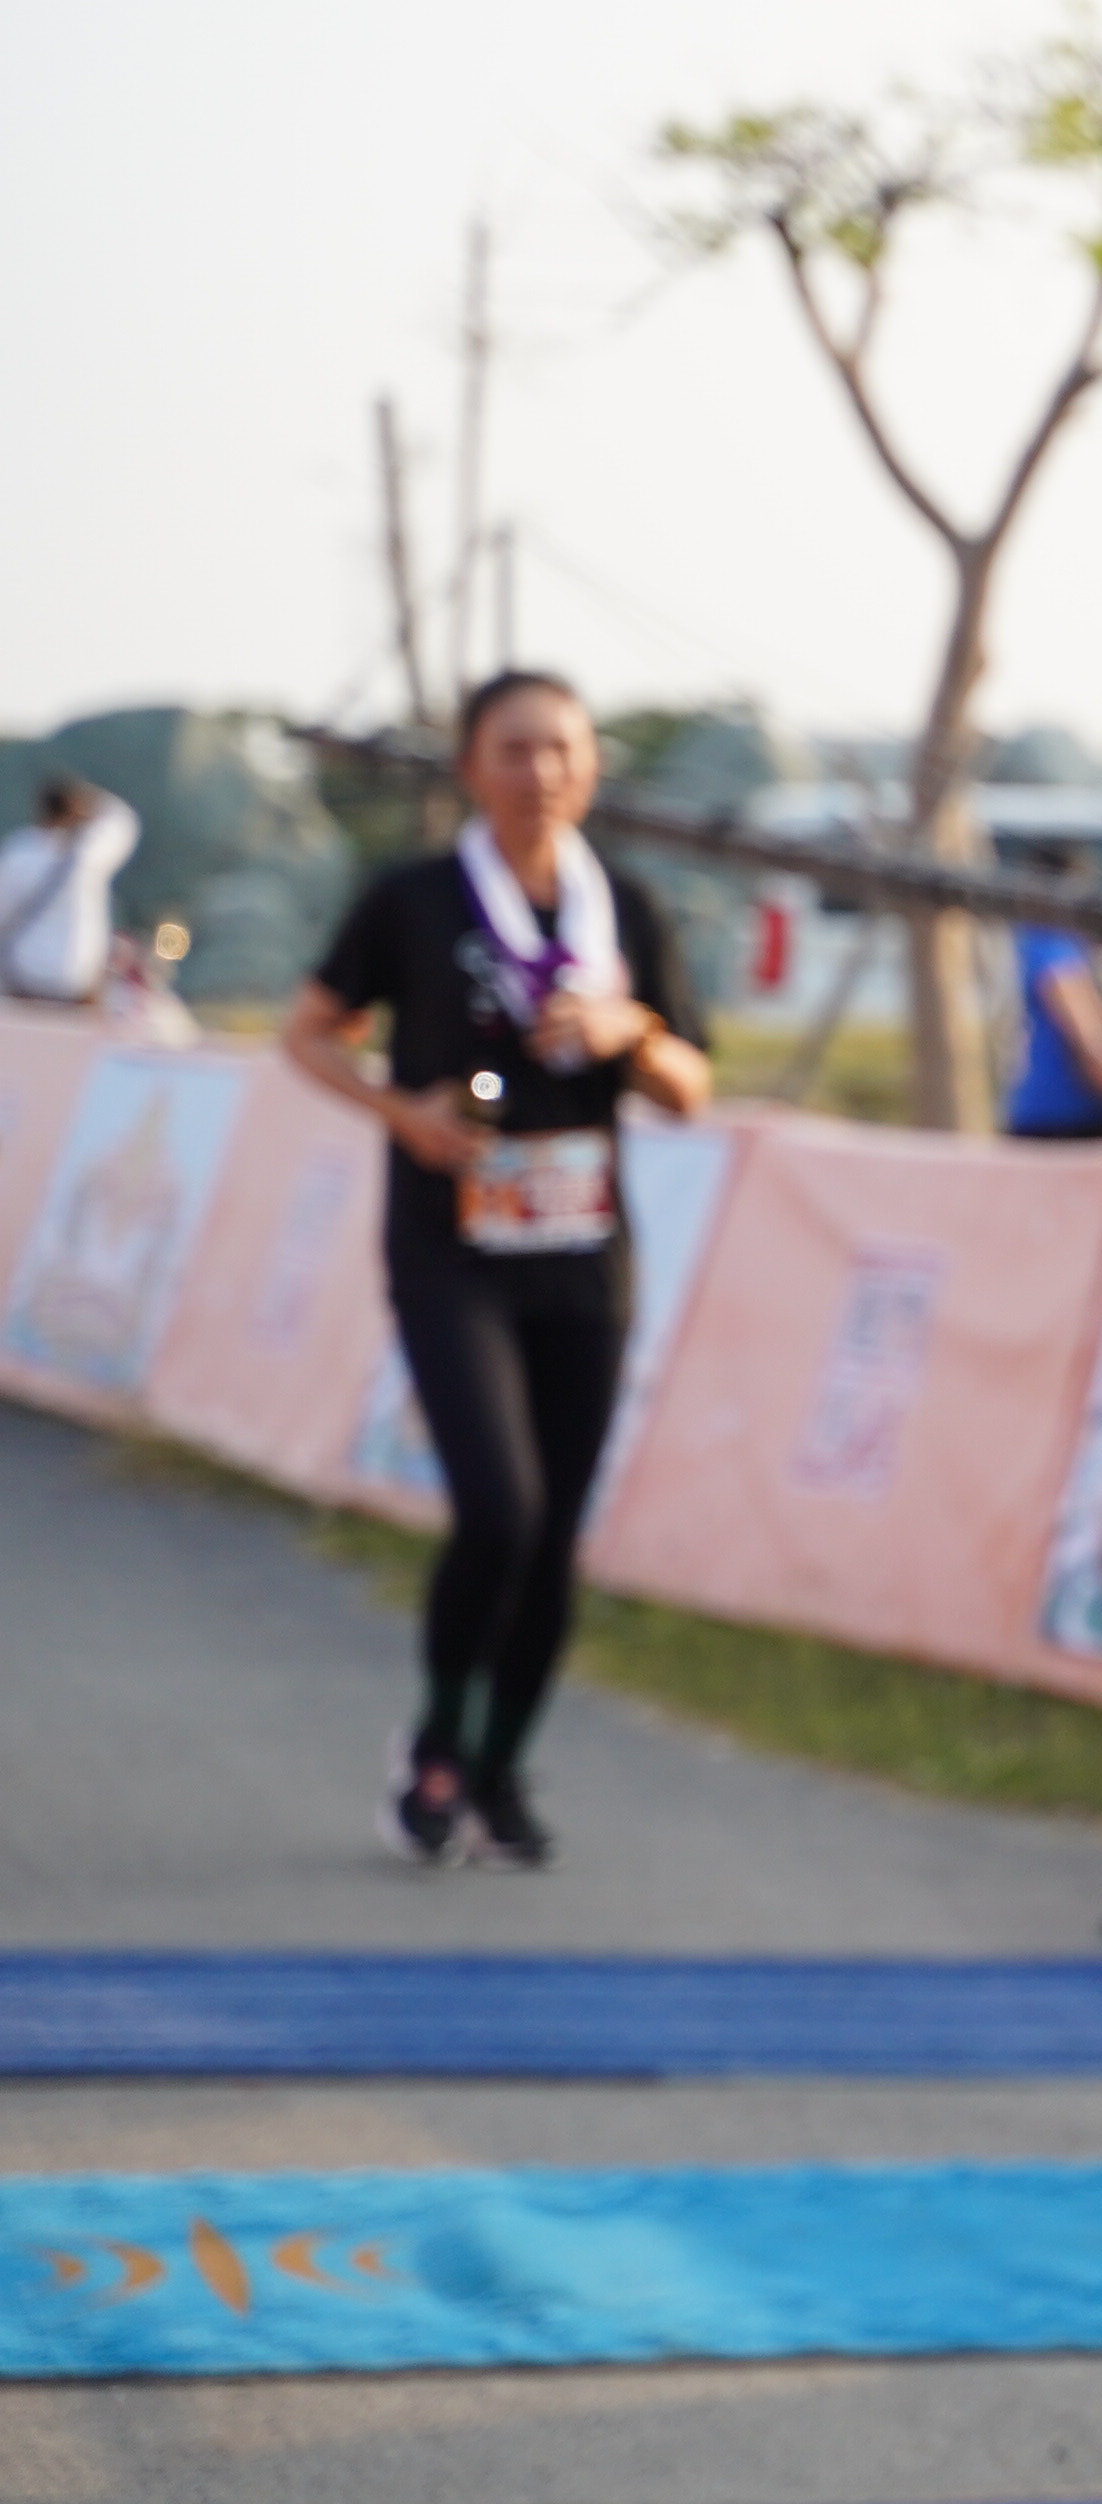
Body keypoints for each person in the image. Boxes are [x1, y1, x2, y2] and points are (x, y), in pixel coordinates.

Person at [280, 672, 712, 1866]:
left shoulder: (627, 908)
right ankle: (438, 1743)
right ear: (470, 764)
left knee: (556, 1531)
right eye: (515, 749)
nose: (541, 772)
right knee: (499, 1507)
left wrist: (630, 1031)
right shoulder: (414, 899)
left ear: (593, 767)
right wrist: (402, 1113)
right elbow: (306, 1032)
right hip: (451, 1247)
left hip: (583, 1253)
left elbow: (691, 1089)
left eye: (563, 749)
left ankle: (503, 1764)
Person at [1004, 843, 1102, 1141]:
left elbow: (1075, 1010)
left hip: (1055, 1111)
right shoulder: (1095, 941)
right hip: (1089, 1108)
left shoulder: (1045, 937)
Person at [0, 775, 143, 1005]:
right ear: (77, 809)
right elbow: (123, 820)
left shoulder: (18, 850)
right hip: (73, 979)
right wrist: (90, 796)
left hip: (19, 977)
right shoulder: (88, 852)